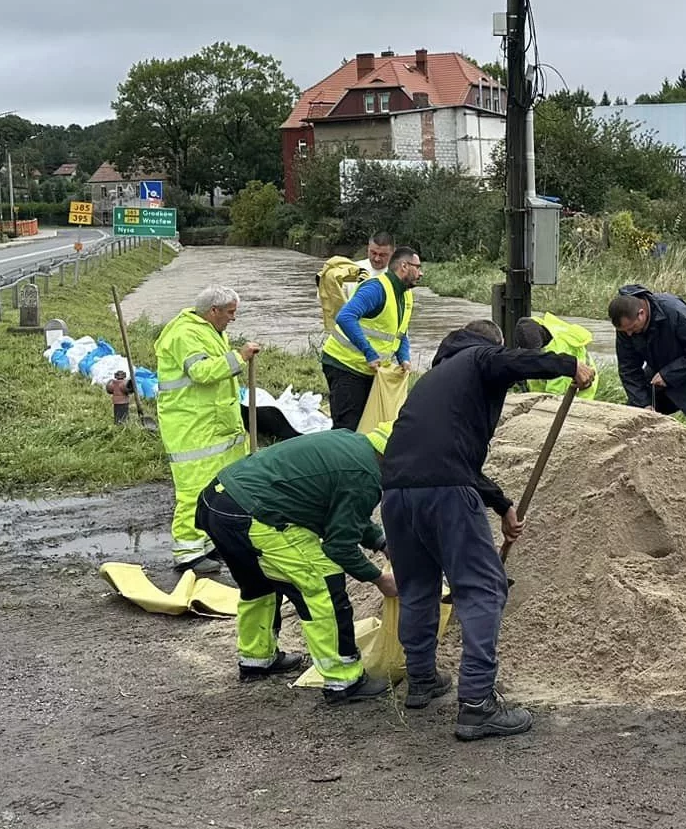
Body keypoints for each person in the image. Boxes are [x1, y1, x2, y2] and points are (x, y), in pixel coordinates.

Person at [380, 320, 595, 741]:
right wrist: (570, 365)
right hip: (444, 491)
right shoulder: (479, 356)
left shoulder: (435, 380)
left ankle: (422, 678)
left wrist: (502, 504)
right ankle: (478, 703)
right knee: (483, 588)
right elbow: (513, 361)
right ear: (492, 344)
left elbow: (449, 457)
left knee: (419, 585)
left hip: (396, 493)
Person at [195, 426, 398, 703]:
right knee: (323, 585)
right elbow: (339, 545)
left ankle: (257, 658)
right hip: (254, 514)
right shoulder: (366, 476)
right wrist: (379, 579)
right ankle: (344, 679)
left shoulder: (353, 447)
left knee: (259, 584)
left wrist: (382, 544)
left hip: (219, 501)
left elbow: (341, 515)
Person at [154, 286, 261, 571]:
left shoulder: (209, 330)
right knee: (194, 491)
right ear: (213, 311)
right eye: (230, 313)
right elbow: (201, 373)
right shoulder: (184, 334)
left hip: (212, 425)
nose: (233, 319)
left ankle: (210, 542)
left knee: (218, 487)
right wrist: (239, 358)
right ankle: (187, 554)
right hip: (191, 427)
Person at [608, 284, 686, 445]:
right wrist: (644, 404)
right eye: (624, 331)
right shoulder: (627, 328)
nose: (629, 334)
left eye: (632, 328)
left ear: (641, 313)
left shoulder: (673, 310)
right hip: (660, 365)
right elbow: (628, 369)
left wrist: (668, 375)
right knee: (636, 415)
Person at [321, 246, 422, 430]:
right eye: (418, 267)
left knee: (366, 426)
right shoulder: (376, 288)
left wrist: (404, 357)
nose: (421, 273)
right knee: (347, 428)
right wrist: (369, 352)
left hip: (369, 370)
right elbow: (345, 316)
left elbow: (401, 332)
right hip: (345, 364)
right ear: (404, 266)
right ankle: (337, 458)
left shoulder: (406, 295)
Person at [511, 313, 601, 400]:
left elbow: (555, 393)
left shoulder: (560, 352)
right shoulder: (537, 327)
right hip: (545, 386)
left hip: (582, 384)